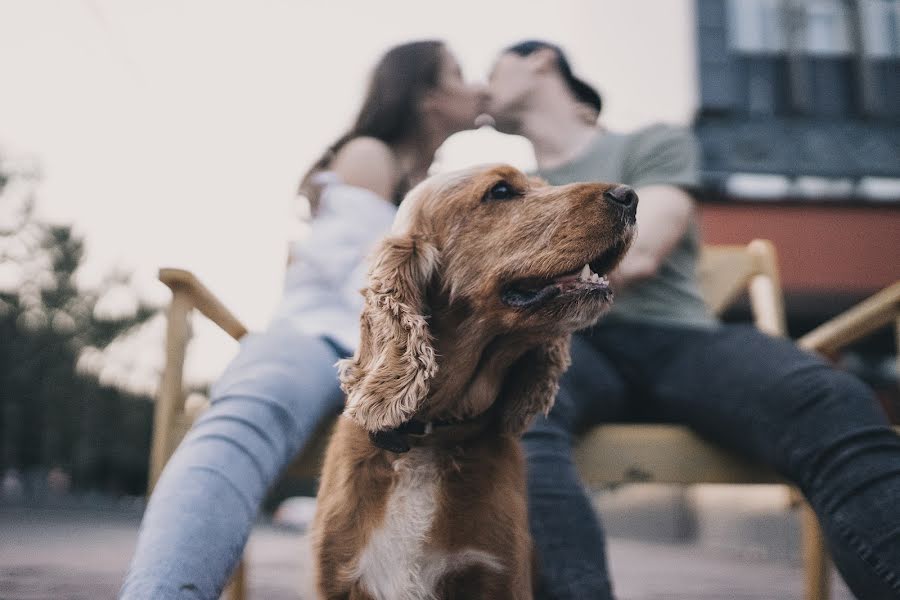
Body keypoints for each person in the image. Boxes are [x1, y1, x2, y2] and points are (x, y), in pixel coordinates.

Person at [485, 40, 900, 600]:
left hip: (678, 339)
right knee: (516, 411)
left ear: (540, 60)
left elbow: (642, 251)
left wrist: (517, 276)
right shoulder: (508, 191)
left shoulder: (651, 142)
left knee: (830, 397)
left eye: (493, 71)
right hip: (565, 344)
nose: (483, 87)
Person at [119, 40, 484, 599]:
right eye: (459, 74)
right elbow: (362, 277)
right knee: (249, 413)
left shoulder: (435, 184)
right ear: (426, 95)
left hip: (411, 357)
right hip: (323, 338)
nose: (474, 84)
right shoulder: (368, 154)